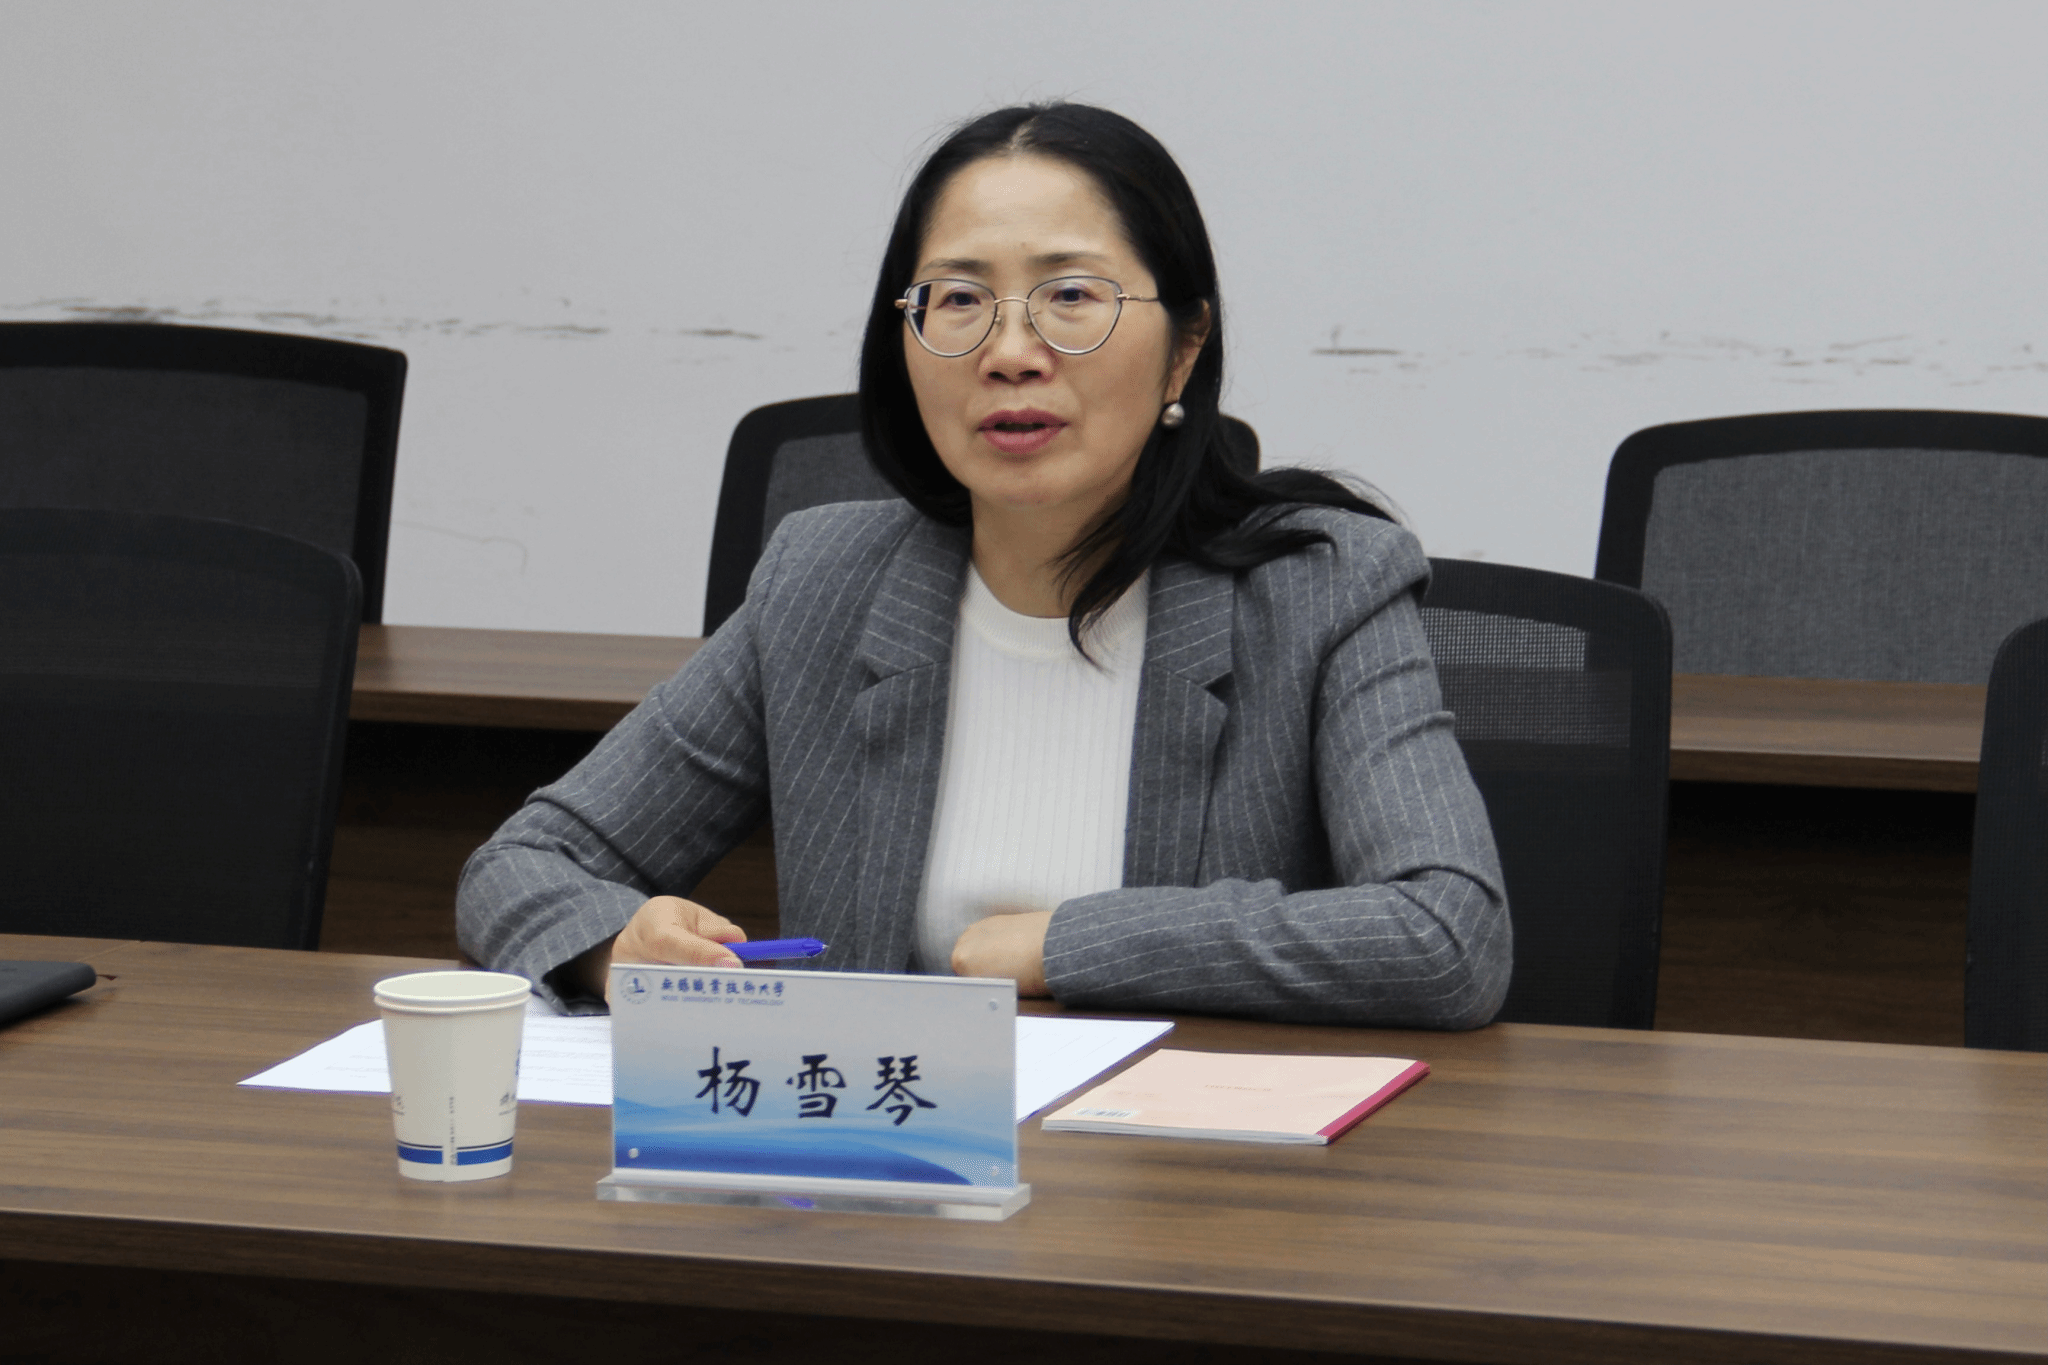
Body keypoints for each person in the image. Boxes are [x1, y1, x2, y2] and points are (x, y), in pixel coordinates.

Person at [458, 102, 1510, 1027]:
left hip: (1177, 1171)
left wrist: (1068, 944)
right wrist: (614, 948)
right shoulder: (823, 583)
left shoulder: (1324, 587)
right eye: (959, 300)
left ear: (1184, 348)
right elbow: (523, 865)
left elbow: (1446, 934)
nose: (1010, 353)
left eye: (1071, 296)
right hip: (886, 1162)